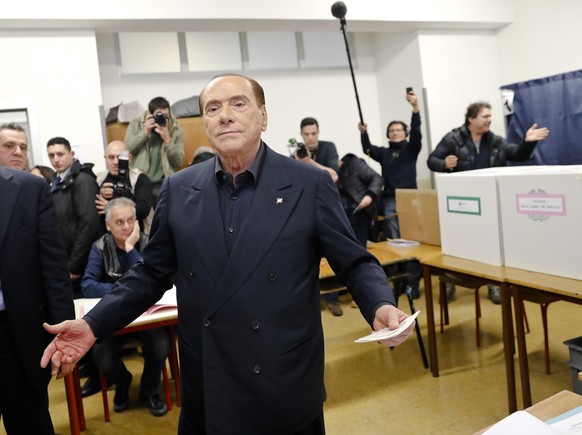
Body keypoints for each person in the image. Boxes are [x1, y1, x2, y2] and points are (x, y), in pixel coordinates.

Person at [41, 73, 415, 435]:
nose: (225, 115)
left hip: (283, 377)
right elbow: (151, 274)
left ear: (263, 117)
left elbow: (355, 262)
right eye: (213, 108)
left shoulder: (308, 183)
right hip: (209, 378)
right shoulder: (179, 187)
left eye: (239, 104)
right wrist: (94, 324)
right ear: (204, 122)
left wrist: (379, 304)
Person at [427, 101, 550, 304]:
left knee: (491, 244)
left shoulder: (495, 141)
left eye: (490, 116)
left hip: (490, 204)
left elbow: (518, 154)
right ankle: (450, 283)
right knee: (456, 241)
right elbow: (431, 160)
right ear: (471, 119)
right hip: (461, 203)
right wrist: (443, 163)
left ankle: (493, 285)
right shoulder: (453, 139)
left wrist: (528, 142)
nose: (489, 120)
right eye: (485, 116)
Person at [0, 166, 74, 434]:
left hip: (16, 337)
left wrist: (65, 337)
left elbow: (53, 270)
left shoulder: (29, 188)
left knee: (30, 424)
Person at [81, 197, 169, 416]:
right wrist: (124, 293)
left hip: (146, 315)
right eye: (120, 222)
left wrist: (131, 249)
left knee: (161, 346)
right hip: (115, 316)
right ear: (108, 225)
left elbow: (152, 281)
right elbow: (88, 286)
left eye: (131, 220)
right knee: (100, 354)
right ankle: (122, 382)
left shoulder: (149, 242)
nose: (127, 226)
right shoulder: (99, 246)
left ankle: (149, 391)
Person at [358, 90, 423, 299]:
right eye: (391, 130)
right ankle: (398, 282)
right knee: (395, 241)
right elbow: (367, 149)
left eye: (398, 129)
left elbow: (417, 132)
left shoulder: (411, 149)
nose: (395, 132)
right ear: (388, 134)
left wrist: (415, 110)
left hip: (410, 199)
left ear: (405, 132)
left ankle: (413, 283)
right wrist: (363, 132)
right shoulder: (384, 153)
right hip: (389, 201)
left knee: (412, 240)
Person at [298, 116, 343, 316]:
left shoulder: (328, 148)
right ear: (301, 135)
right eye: (306, 134)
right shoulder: (297, 153)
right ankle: (311, 300)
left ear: (318, 132)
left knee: (332, 254)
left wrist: (309, 162)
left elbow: (333, 175)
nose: (310, 138)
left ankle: (334, 299)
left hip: (329, 208)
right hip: (305, 210)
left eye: (313, 133)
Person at [47, 136, 101, 299]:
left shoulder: (83, 180)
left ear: (71, 154)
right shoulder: (56, 182)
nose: (56, 159)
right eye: (51, 155)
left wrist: (74, 265)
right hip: (64, 261)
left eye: (60, 154)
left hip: (81, 264)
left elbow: (89, 224)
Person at [124, 96, 185, 204]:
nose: (163, 119)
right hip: (140, 179)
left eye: (166, 116)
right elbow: (127, 149)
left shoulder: (176, 129)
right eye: (159, 115)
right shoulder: (136, 124)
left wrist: (167, 140)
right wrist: (145, 132)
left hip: (163, 181)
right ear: (150, 114)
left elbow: (179, 161)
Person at [95, 140, 155, 235]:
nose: (115, 162)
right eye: (111, 157)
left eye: (120, 157)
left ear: (129, 158)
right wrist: (97, 192)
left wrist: (110, 207)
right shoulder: (98, 179)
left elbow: (143, 210)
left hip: (136, 237)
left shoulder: (139, 178)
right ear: (105, 158)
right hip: (105, 239)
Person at [337, 153, 383, 247]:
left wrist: (369, 196)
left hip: (360, 210)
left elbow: (377, 178)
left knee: (359, 246)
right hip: (343, 215)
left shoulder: (354, 163)